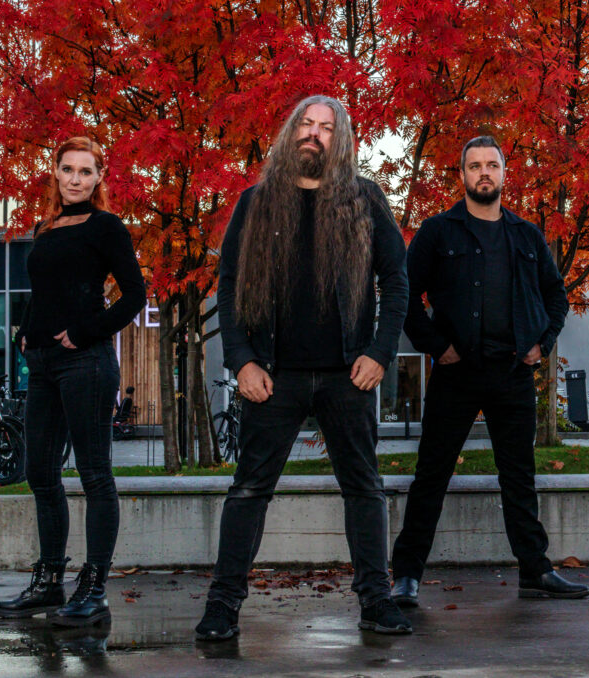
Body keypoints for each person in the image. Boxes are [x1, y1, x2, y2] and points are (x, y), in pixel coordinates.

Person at [195, 95, 411, 640]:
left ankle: (376, 601)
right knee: (248, 492)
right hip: (274, 376)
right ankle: (222, 606)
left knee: (364, 488)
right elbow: (228, 285)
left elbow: (397, 280)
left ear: (342, 141)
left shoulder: (366, 199)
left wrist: (380, 351)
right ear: (291, 134)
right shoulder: (257, 202)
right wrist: (241, 360)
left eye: (326, 128)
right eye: (306, 125)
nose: (314, 135)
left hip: (348, 375)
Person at [390, 135, 588, 610]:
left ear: (504, 173)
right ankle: (406, 576)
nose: (484, 173)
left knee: (519, 476)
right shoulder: (438, 232)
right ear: (462, 175)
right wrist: (438, 347)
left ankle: (535, 570)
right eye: (474, 165)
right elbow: (404, 294)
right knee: (431, 475)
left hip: (512, 374)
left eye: (492, 165)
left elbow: (555, 295)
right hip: (456, 375)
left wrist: (542, 343)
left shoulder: (525, 236)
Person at [0, 137, 146, 626]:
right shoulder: (44, 228)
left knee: (94, 474)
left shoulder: (106, 227)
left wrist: (83, 331)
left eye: (86, 171)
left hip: (87, 363)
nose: (75, 178)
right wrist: (24, 331)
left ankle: (94, 587)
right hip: (42, 364)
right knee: (39, 472)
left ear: (99, 177)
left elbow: (134, 295)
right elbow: (44, 292)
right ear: (55, 173)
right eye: (67, 169)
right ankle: (48, 582)